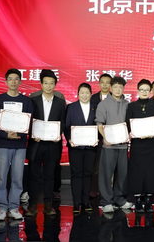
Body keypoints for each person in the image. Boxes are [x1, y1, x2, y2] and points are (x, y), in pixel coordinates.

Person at [0, 69, 33, 222]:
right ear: (6, 81)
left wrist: (20, 134)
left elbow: (29, 122)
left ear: (20, 81)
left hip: (20, 144)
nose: (13, 82)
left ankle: (14, 208)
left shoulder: (26, 101)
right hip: (2, 143)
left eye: (16, 79)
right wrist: (5, 134)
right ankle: (2, 208)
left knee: (17, 178)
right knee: (1, 178)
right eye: (10, 79)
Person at [25, 69, 65, 218]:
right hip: (36, 143)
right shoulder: (32, 100)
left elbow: (63, 122)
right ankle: (32, 205)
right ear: (41, 84)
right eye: (46, 83)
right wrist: (32, 133)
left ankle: (48, 205)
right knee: (33, 175)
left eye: (52, 83)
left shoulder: (60, 102)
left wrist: (58, 133)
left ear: (55, 85)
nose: (49, 86)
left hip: (52, 144)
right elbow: (28, 120)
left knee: (50, 175)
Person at [96, 75, 133, 213]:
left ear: (124, 88)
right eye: (115, 87)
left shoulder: (127, 104)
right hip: (109, 145)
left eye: (120, 87)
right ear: (111, 88)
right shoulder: (103, 104)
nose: (118, 89)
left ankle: (120, 199)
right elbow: (100, 124)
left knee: (122, 174)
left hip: (123, 145)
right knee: (106, 174)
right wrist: (104, 137)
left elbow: (131, 123)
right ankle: (106, 201)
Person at [126, 79, 154, 213]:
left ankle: (148, 200)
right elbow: (128, 123)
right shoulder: (131, 106)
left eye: (147, 90)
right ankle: (137, 200)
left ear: (150, 91)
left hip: (151, 143)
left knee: (151, 170)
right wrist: (134, 133)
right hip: (137, 143)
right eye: (142, 90)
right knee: (136, 170)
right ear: (138, 91)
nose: (144, 92)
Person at [64, 83, 97, 215]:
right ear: (78, 94)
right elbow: (66, 126)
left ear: (91, 94)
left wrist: (97, 139)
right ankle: (77, 203)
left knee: (88, 174)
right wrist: (69, 139)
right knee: (76, 174)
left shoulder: (96, 107)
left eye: (87, 92)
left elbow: (99, 125)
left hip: (91, 147)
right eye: (82, 92)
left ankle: (86, 201)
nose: (84, 95)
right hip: (75, 147)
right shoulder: (71, 107)